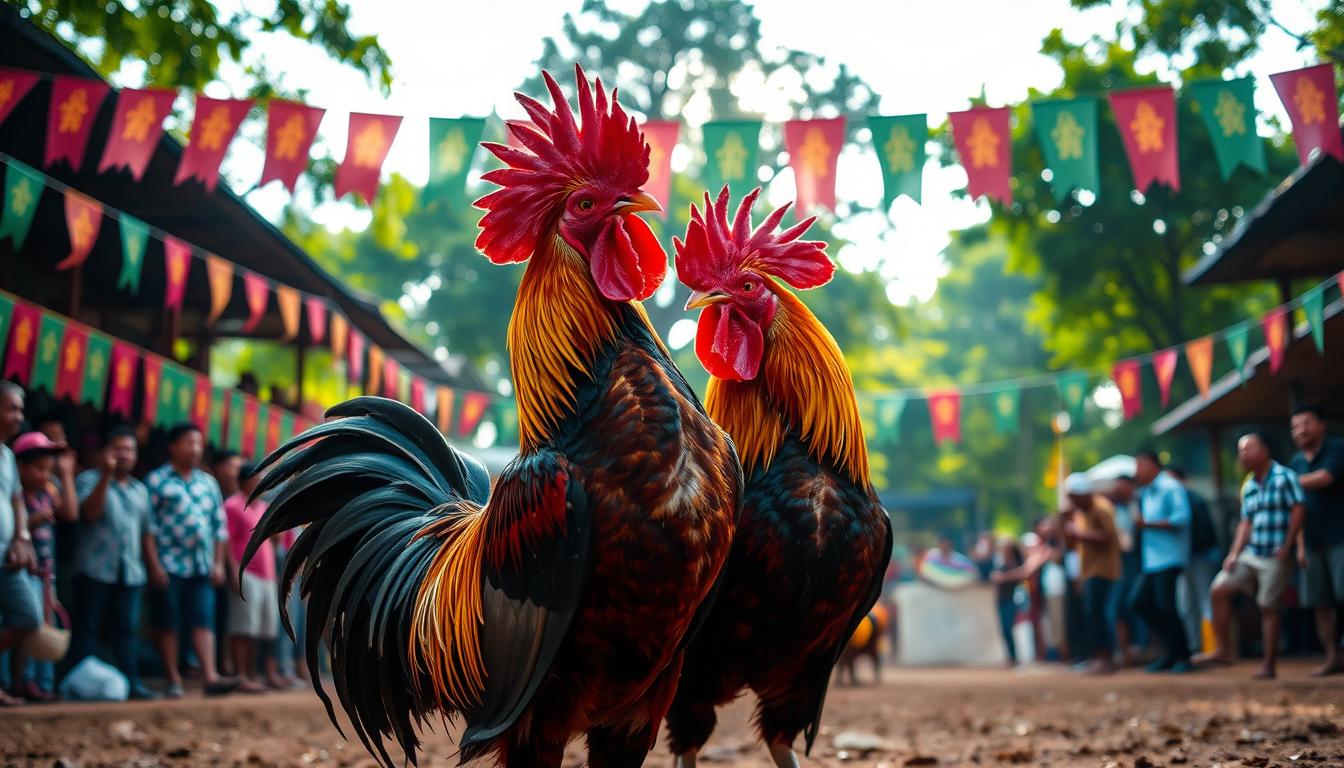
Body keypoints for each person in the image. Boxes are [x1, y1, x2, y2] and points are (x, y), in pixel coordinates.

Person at [1196, 432, 1305, 679]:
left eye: (1248, 448)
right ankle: (1223, 650)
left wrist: (1288, 546)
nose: (1243, 454)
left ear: (1266, 449)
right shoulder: (1249, 484)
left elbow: (1299, 509)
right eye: (1240, 450)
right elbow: (1246, 523)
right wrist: (1234, 553)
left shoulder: (1284, 477)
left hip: (1276, 554)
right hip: (1251, 552)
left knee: (1268, 606)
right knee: (1219, 589)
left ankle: (1269, 664)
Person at [144, 424, 237, 698]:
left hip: (201, 564)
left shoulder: (207, 483)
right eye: (188, 443)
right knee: (168, 622)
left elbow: (219, 528)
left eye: (198, 443)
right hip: (169, 563)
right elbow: (147, 529)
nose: (195, 449)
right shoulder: (157, 480)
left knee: (203, 620)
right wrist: (154, 565)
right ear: (173, 446)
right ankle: (173, 679)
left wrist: (218, 563)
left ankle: (210, 676)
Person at [71, 426, 158, 700]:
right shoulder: (87, 480)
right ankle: (76, 686)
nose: (125, 455)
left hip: (129, 572)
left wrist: (151, 567)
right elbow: (89, 513)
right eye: (119, 449)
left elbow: (146, 534)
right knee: (88, 628)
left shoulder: (139, 490)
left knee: (125, 631)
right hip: (93, 570)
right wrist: (105, 474)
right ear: (107, 452)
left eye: (130, 450)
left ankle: (132, 684)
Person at [11, 432, 75, 701]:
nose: (45, 475)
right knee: (29, 625)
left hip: (47, 571)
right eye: (40, 469)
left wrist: (66, 474)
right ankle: (22, 681)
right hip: (25, 571)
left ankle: (43, 684)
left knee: (46, 627)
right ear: (21, 468)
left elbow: (71, 513)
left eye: (48, 469)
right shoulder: (17, 498)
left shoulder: (49, 492)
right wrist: (30, 523)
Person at [1289, 404, 1344, 677]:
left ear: (1322, 424)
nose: (1300, 430)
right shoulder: (1296, 462)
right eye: (1295, 426)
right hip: (1311, 541)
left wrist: (1288, 482)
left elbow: (1325, 478)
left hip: (1340, 537)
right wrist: (1298, 545)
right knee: (1319, 602)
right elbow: (1296, 508)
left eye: (1306, 423)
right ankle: (1332, 656)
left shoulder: (1336, 448)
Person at [1130, 449, 1193, 673]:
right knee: (1139, 602)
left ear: (1150, 464)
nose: (1136, 472)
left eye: (1139, 466)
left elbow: (1181, 518)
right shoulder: (1146, 493)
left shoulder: (1170, 487)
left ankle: (1182, 656)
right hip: (1152, 561)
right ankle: (1171, 652)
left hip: (1171, 557)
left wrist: (1148, 524)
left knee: (1167, 607)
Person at [224, 464, 282, 693]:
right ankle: (242, 675)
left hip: (267, 575)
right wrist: (232, 571)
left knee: (264, 630)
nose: (260, 483)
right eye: (256, 479)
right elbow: (226, 540)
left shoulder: (264, 507)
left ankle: (259, 674)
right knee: (243, 628)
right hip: (245, 572)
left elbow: (275, 540)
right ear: (244, 481)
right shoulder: (232, 505)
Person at [0, 382, 39, 707]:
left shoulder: (8, 455)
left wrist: (22, 537)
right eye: (10, 408)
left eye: (19, 409)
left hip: (6, 556)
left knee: (27, 615)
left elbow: (16, 503)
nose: (18, 416)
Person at [1062, 473, 1122, 674]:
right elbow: (1072, 545)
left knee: (1099, 614)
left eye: (1073, 496)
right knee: (1092, 615)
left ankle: (1106, 658)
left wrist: (1078, 534)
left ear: (1083, 493)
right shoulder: (1080, 513)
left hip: (1104, 570)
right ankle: (1097, 656)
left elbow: (1110, 537)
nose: (1071, 501)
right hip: (1088, 571)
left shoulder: (1101, 508)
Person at [1168, 465, 1221, 654]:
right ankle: (1194, 647)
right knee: (1187, 604)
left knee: (1204, 602)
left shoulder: (1191, 499)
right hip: (1187, 558)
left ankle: (1213, 647)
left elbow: (1203, 534)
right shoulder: (1184, 498)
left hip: (1200, 556)